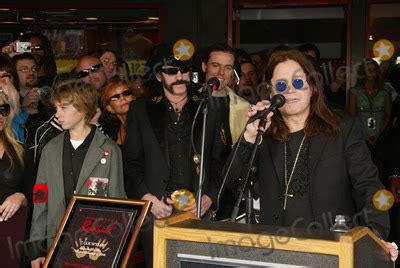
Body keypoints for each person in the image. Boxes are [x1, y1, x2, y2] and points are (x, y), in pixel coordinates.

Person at [225, 49, 398, 262]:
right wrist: (250, 135)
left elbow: (368, 185)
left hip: (330, 251)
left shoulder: (342, 128)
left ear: (312, 87)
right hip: (274, 253)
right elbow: (229, 182)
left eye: (298, 83)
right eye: (281, 85)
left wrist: (374, 234)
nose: (289, 91)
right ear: (270, 92)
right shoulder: (263, 133)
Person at [123, 44, 217, 266]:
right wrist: (147, 198)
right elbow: (131, 161)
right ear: (158, 75)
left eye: (184, 70)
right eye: (171, 71)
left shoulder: (208, 107)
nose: (179, 77)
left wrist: (209, 196)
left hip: (196, 209)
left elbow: (219, 159)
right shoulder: (141, 109)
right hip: (157, 208)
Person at [29, 79, 126, 267]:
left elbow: (117, 202)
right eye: (56, 108)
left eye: (63, 108)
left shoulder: (109, 150)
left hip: (96, 246)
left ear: (83, 108)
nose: (57, 114)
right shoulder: (50, 149)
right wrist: (37, 249)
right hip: (55, 243)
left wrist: (115, 250)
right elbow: (40, 199)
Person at [200, 44, 249, 220]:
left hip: (227, 197)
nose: (221, 73)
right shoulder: (188, 102)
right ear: (204, 66)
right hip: (191, 198)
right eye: (215, 65)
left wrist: (213, 195)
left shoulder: (242, 108)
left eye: (227, 68)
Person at [0, 90, 35, 267]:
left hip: (13, 236)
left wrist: (21, 197)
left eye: (3, 109)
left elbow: (37, 196)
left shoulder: (21, 151)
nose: (0, 115)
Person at [100, 77, 135, 145]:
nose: (122, 98)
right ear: (110, 108)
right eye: (115, 97)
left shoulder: (148, 121)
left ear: (134, 97)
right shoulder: (113, 136)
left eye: (126, 93)